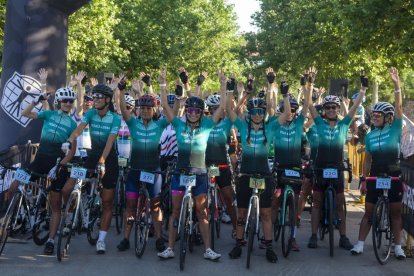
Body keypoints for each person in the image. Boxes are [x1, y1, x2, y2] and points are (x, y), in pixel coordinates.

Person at [157, 67, 224, 261]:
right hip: (180, 173)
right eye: (190, 110)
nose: (193, 113)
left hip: (200, 174)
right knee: (175, 211)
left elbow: (222, 107)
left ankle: (208, 249)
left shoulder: (207, 125)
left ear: (201, 113)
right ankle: (170, 248)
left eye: (196, 111)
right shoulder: (178, 124)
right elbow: (164, 106)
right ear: (186, 111)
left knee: (201, 212)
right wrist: (163, 84)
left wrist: (222, 85)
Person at [227, 74, 291, 263]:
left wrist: (285, 94)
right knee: (241, 212)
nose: (256, 114)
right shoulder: (242, 125)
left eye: (259, 111)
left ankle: (269, 247)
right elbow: (230, 109)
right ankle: (239, 244)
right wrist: (237, 92)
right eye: (253, 111)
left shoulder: (270, 127)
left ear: (263, 113)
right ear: (249, 113)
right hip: (245, 173)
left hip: (264, 174)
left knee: (265, 213)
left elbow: (287, 114)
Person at [307, 71, 367, 250]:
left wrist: (363, 89)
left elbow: (355, 108)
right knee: (317, 202)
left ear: (338, 110)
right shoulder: (319, 123)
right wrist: (309, 86)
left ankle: (343, 237)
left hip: (337, 167)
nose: (331, 110)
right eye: (328, 108)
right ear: (324, 111)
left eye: (334, 107)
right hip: (320, 168)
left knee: (340, 204)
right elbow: (309, 106)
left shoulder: (343, 124)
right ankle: (313, 236)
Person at [350, 67, 406, 259]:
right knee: (369, 212)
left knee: (396, 212)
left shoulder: (395, 128)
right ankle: (359, 244)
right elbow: (367, 159)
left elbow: (399, 108)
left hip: (393, 174)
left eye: (378, 115)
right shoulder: (371, 135)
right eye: (373, 115)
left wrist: (396, 84)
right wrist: (364, 179)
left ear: (388, 117)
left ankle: (398, 247)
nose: (374, 117)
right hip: (375, 175)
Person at [20, 85, 77, 255]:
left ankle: (51, 240)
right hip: (40, 159)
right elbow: (25, 113)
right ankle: (21, 210)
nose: (68, 103)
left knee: (55, 204)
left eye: (71, 101)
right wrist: (37, 99)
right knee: (17, 182)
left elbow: (72, 150)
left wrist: (60, 165)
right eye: (65, 100)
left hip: (56, 164)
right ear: (59, 102)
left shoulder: (73, 123)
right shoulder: (49, 114)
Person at [67, 84, 121, 254]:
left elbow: (110, 142)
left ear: (107, 100)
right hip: (92, 155)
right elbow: (78, 131)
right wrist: (69, 141)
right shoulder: (90, 114)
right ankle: (71, 217)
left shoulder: (115, 118)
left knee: (107, 201)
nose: (95, 100)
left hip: (109, 158)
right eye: (94, 97)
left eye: (98, 97)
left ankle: (101, 240)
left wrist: (103, 162)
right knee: (71, 185)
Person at [116, 80, 168, 252]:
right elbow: (123, 109)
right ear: (139, 109)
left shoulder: (159, 124)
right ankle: (125, 239)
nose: (145, 111)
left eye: (148, 108)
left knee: (155, 206)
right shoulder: (133, 123)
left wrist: (164, 88)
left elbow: (171, 113)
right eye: (143, 108)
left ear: (153, 110)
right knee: (130, 206)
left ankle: (159, 239)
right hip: (135, 170)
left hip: (154, 171)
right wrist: (121, 91)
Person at [271, 68, 312, 251]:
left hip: (295, 168)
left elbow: (307, 103)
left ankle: (293, 237)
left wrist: (308, 85)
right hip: (279, 166)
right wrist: (277, 88)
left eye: (294, 111)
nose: (291, 113)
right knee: (275, 199)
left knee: (294, 204)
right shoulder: (276, 125)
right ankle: (270, 233)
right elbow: (271, 105)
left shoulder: (298, 125)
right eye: (288, 110)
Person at [205, 93, 237, 235]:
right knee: (200, 199)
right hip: (206, 165)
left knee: (229, 198)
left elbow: (235, 108)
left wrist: (241, 95)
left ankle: (237, 228)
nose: (213, 111)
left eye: (216, 108)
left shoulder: (226, 123)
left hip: (222, 166)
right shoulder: (204, 122)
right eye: (211, 108)